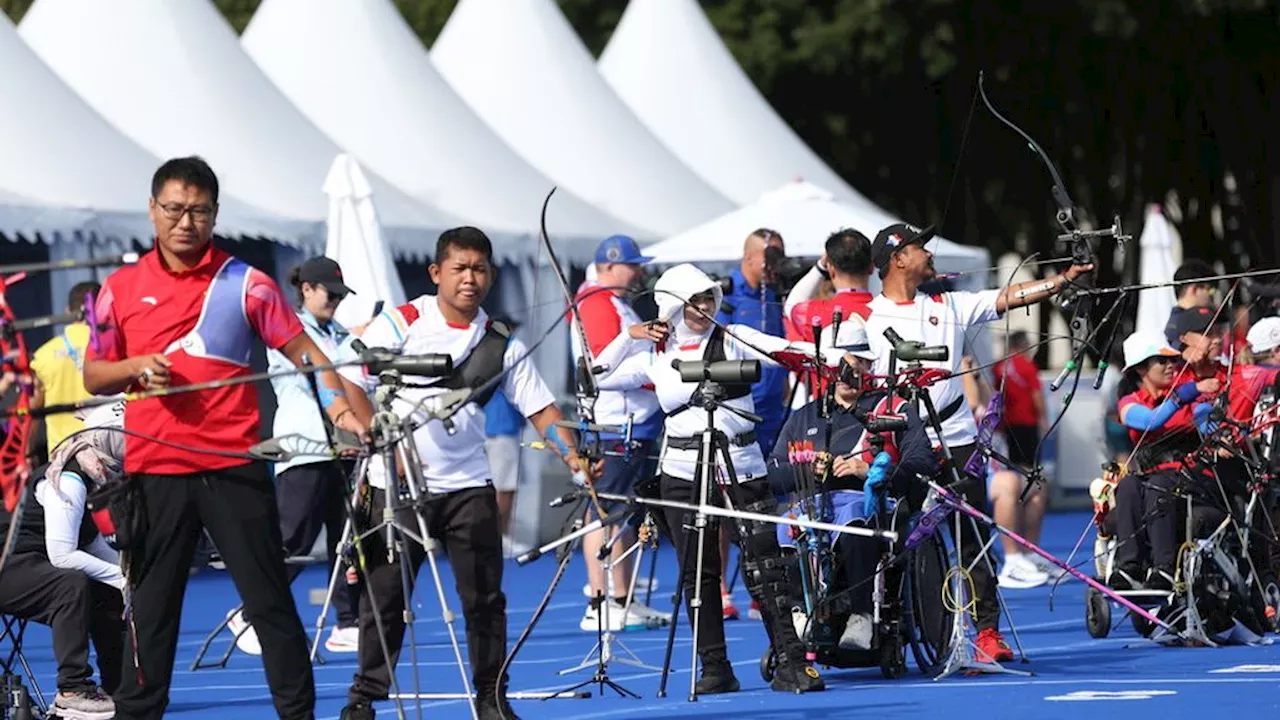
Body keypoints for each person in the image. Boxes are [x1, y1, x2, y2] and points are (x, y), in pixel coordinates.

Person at [82, 156, 370, 720]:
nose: (185, 221)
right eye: (174, 209)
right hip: (155, 473)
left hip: (232, 469)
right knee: (150, 609)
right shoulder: (118, 288)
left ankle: (298, 714)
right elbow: (95, 373)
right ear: (152, 211)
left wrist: (339, 407)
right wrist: (139, 365)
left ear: (215, 215)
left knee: (270, 603)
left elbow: (304, 353)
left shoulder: (249, 284)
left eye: (199, 210)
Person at [335, 227, 594, 720]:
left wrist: (574, 457)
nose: (470, 279)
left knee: (484, 600)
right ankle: (364, 698)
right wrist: (377, 437)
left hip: (468, 488)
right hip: (395, 489)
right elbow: (347, 375)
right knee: (384, 600)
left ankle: (491, 697)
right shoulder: (403, 321)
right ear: (437, 273)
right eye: (460, 268)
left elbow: (542, 410)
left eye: (479, 269)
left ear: (491, 276)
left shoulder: (501, 343)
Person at [594, 262, 838, 695]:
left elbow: (788, 350)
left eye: (709, 298)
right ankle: (715, 666)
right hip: (681, 471)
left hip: (741, 465)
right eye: (694, 301)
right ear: (671, 306)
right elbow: (598, 376)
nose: (705, 308)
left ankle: (792, 661)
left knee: (766, 565)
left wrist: (837, 359)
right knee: (697, 571)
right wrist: (626, 337)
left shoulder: (734, 338)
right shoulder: (655, 353)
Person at [862, 221, 1093, 662]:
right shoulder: (868, 319)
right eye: (920, 248)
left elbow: (1010, 297)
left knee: (973, 538)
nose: (930, 253)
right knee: (896, 538)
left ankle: (987, 634)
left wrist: (1063, 280)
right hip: (902, 442)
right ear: (897, 259)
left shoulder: (950, 304)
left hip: (958, 440)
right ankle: (888, 631)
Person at [225, 255, 371, 656]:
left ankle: (348, 620)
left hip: (344, 446)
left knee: (349, 537)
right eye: (329, 293)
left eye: (341, 295)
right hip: (304, 446)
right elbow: (318, 371)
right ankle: (249, 609)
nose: (335, 301)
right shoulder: (287, 330)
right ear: (306, 290)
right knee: (294, 539)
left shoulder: (339, 332)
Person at [766, 319, 934, 650]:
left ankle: (861, 615)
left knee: (855, 523)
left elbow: (921, 465)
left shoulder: (895, 408)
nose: (848, 376)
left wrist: (867, 470)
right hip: (814, 507)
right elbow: (772, 474)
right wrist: (810, 470)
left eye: (858, 367)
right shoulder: (804, 416)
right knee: (785, 525)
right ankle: (801, 610)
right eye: (841, 367)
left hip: (873, 505)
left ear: (870, 367)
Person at [0, 402, 125, 720]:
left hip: (29, 566)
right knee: (70, 583)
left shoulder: (87, 475)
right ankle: (73, 691)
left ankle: (121, 688)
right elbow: (62, 555)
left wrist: (132, 579)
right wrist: (123, 579)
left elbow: (93, 545)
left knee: (108, 591)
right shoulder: (67, 480)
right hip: (7, 565)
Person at [569, 235, 668, 631]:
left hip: (630, 423)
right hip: (615, 424)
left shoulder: (612, 303)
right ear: (610, 266)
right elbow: (601, 364)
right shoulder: (598, 303)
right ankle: (600, 601)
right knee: (604, 511)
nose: (639, 271)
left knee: (621, 512)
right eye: (632, 264)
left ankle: (621, 598)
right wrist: (653, 379)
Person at [716, 228, 788, 620]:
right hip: (737, 415)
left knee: (770, 504)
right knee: (727, 506)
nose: (775, 265)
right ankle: (721, 589)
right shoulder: (726, 293)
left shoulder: (778, 293)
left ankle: (765, 589)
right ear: (750, 256)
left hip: (775, 415)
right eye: (770, 256)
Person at [1110, 332, 1218, 590]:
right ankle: (1129, 567)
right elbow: (1150, 422)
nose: (1171, 366)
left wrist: (1206, 413)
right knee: (1127, 486)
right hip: (1153, 478)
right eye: (1161, 361)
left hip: (1192, 479)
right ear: (1140, 370)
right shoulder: (1129, 403)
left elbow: (1208, 425)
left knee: (1158, 483)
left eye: (1172, 360)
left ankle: (1164, 569)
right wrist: (1184, 394)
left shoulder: (1190, 396)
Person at [990, 331, 1059, 581]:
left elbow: (996, 399)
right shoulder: (1025, 366)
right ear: (1021, 345)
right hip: (1025, 426)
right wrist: (1044, 421)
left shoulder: (999, 367)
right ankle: (1022, 550)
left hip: (1007, 428)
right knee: (1030, 481)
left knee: (1023, 480)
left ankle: (1023, 551)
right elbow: (1036, 395)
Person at [785, 229, 876, 400]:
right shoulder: (887, 309)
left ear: (831, 269)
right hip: (880, 412)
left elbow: (791, 306)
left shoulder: (813, 313)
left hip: (828, 414)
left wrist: (820, 268)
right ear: (871, 267)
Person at [30, 281, 101, 460]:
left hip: (63, 458)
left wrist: (28, 454)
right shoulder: (112, 347)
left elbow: (33, 411)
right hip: (108, 451)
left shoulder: (43, 355)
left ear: (68, 311)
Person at [483, 389, 523, 545]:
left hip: (488, 430)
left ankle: (497, 537)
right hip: (501, 430)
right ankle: (499, 538)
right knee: (504, 489)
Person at [1164, 259, 1216, 348]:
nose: (1212, 296)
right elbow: (1170, 343)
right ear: (1194, 289)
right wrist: (1183, 349)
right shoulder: (1176, 325)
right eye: (1210, 290)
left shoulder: (1175, 320)